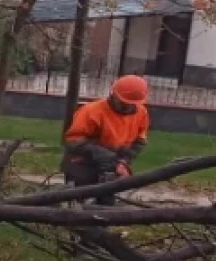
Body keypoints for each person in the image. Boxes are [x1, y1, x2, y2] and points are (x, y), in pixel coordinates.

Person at [61, 75, 150, 206]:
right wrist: (103, 154)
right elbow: (73, 141)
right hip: (83, 163)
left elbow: (139, 141)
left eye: (132, 104)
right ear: (113, 94)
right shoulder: (92, 111)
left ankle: (101, 222)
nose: (127, 106)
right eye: (124, 102)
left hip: (112, 164)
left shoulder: (141, 113)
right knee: (82, 202)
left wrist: (124, 161)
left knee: (106, 202)